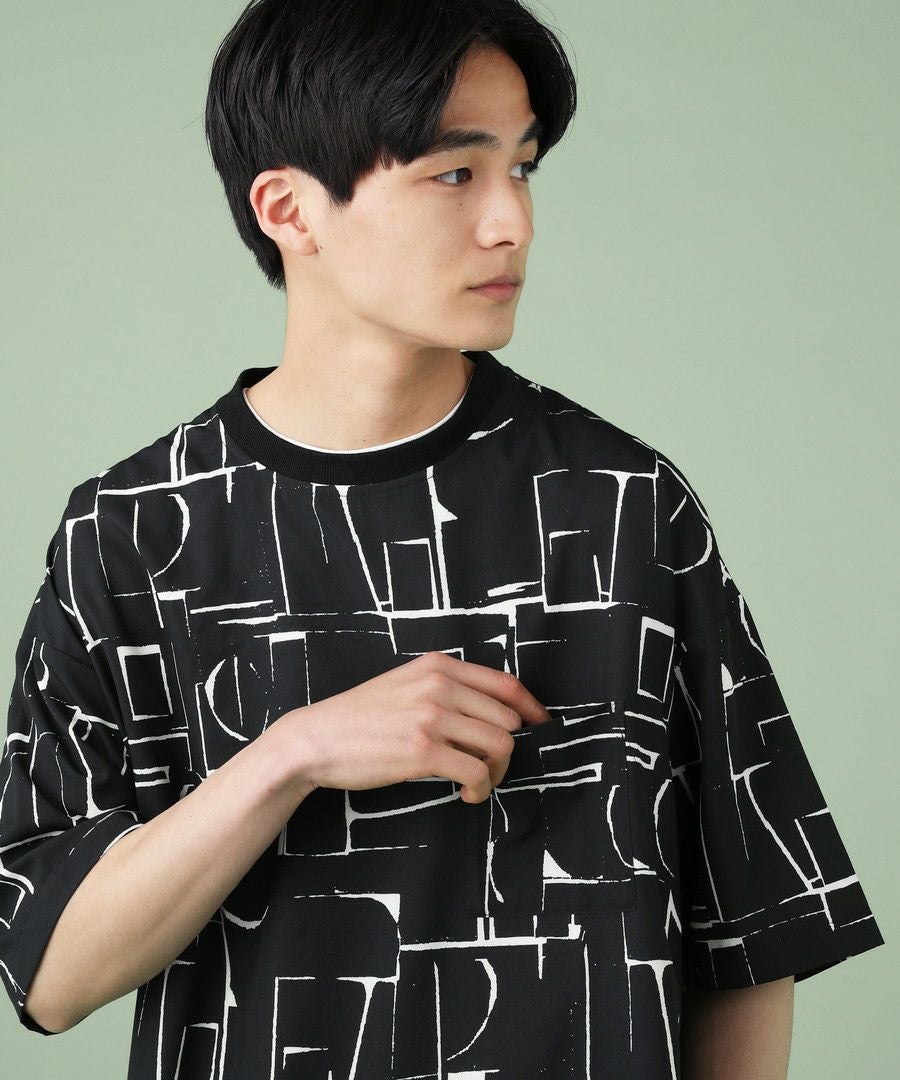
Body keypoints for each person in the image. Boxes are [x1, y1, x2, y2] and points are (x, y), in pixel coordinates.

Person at [0, 1, 884, 1076]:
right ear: (289, 209)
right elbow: (49, 974)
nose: (512, 222)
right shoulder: (135, 530)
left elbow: (752, 935)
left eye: (524, 169)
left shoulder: (626, 507)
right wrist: (291, 755)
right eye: (456, 173)